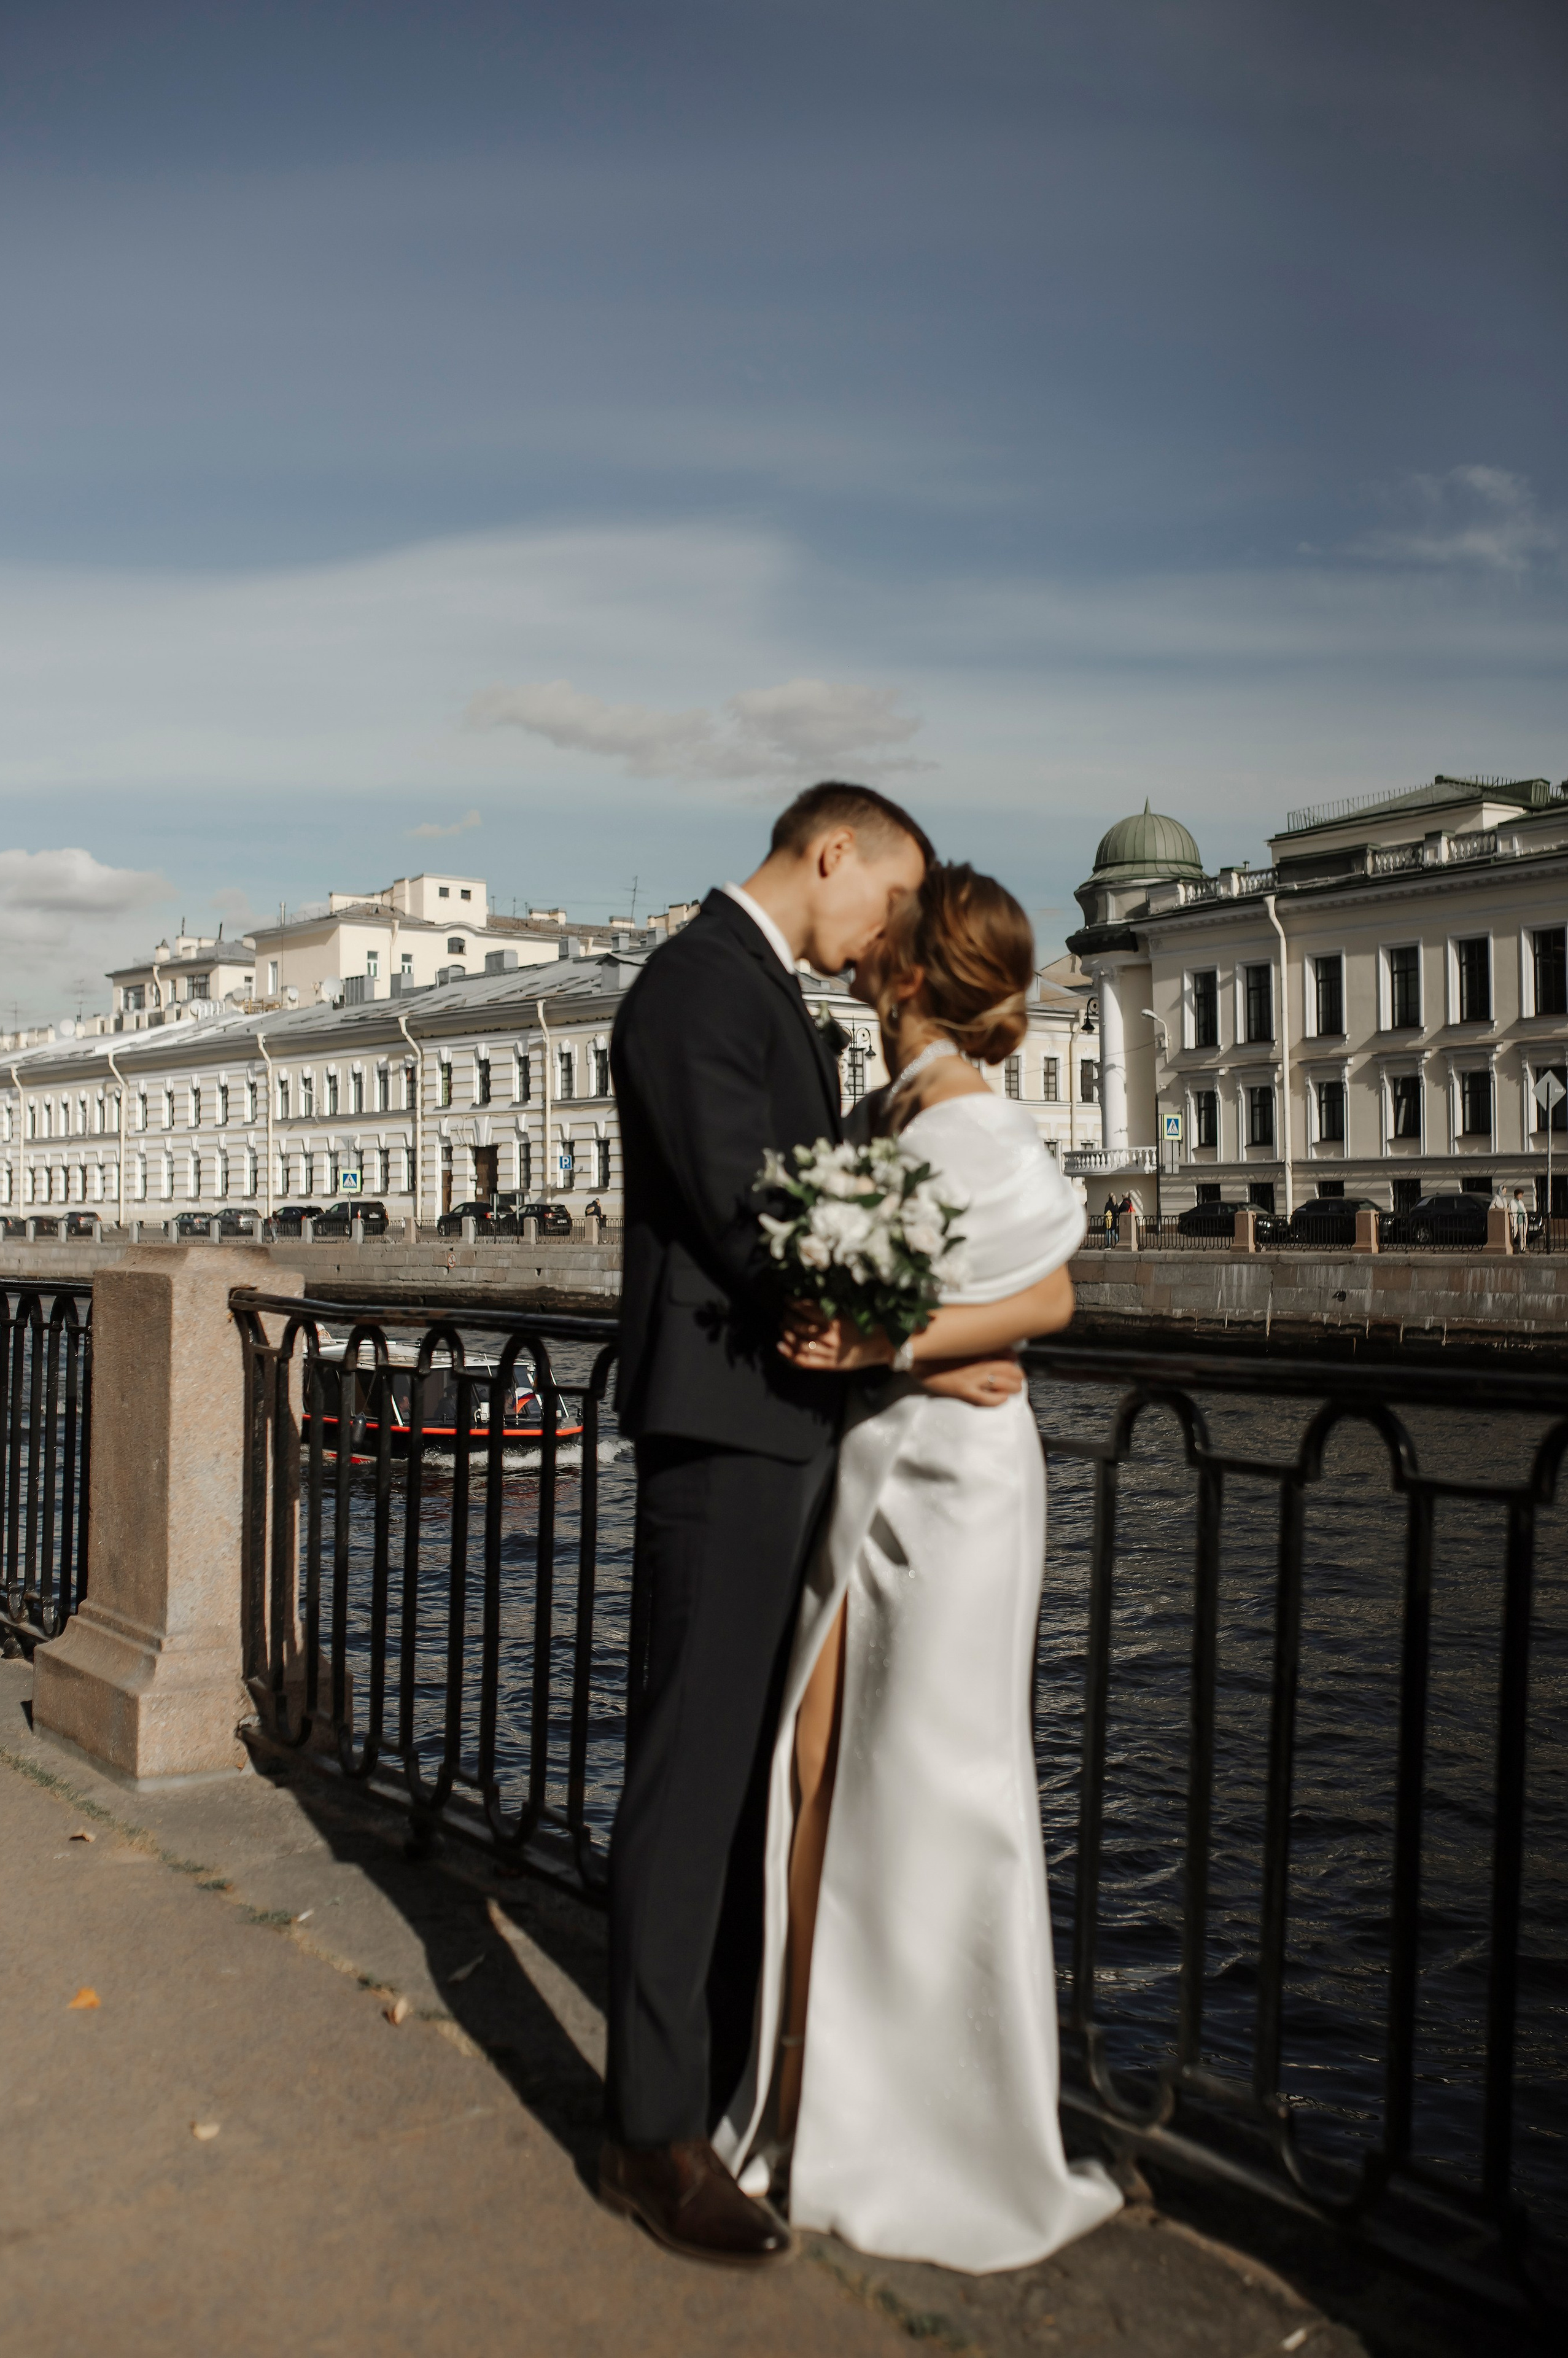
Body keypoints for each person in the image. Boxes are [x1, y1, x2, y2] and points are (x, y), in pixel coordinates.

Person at [599, 784, 1019, 2268]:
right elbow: (753, 1219)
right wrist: (926, 1344)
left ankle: (707, 2088)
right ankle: (652, 2136)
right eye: (887, 905)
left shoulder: (747, 990)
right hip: (725, 1427)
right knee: (690, 1774)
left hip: (766, 1425)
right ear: (830, 852)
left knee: (734, 1777)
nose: (884, 939)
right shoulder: (696, 986)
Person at [716, 862, 1123, 2273]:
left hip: (956, 1487)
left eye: (879, 938)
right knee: (819, 1762)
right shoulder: (887, 1108)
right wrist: (896, 1346)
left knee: (937, 1788)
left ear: (904, 974)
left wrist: (901, 1345)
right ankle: (802, 2098)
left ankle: (931, 2135)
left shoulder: (974, 1123)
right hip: (882, 1455)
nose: (856, 944)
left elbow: (1054, 1295)